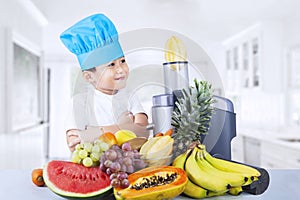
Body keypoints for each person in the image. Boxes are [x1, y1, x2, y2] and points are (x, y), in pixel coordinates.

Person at [60, 13, 149, 152]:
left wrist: (94, 133)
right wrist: (125, 127)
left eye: (123, 61)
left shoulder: (129, 96)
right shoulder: (80, 102)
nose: (121, 70)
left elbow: (143, 131)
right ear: (89, 77)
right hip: (92, 171)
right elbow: (74, 143)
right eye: (111, 65)